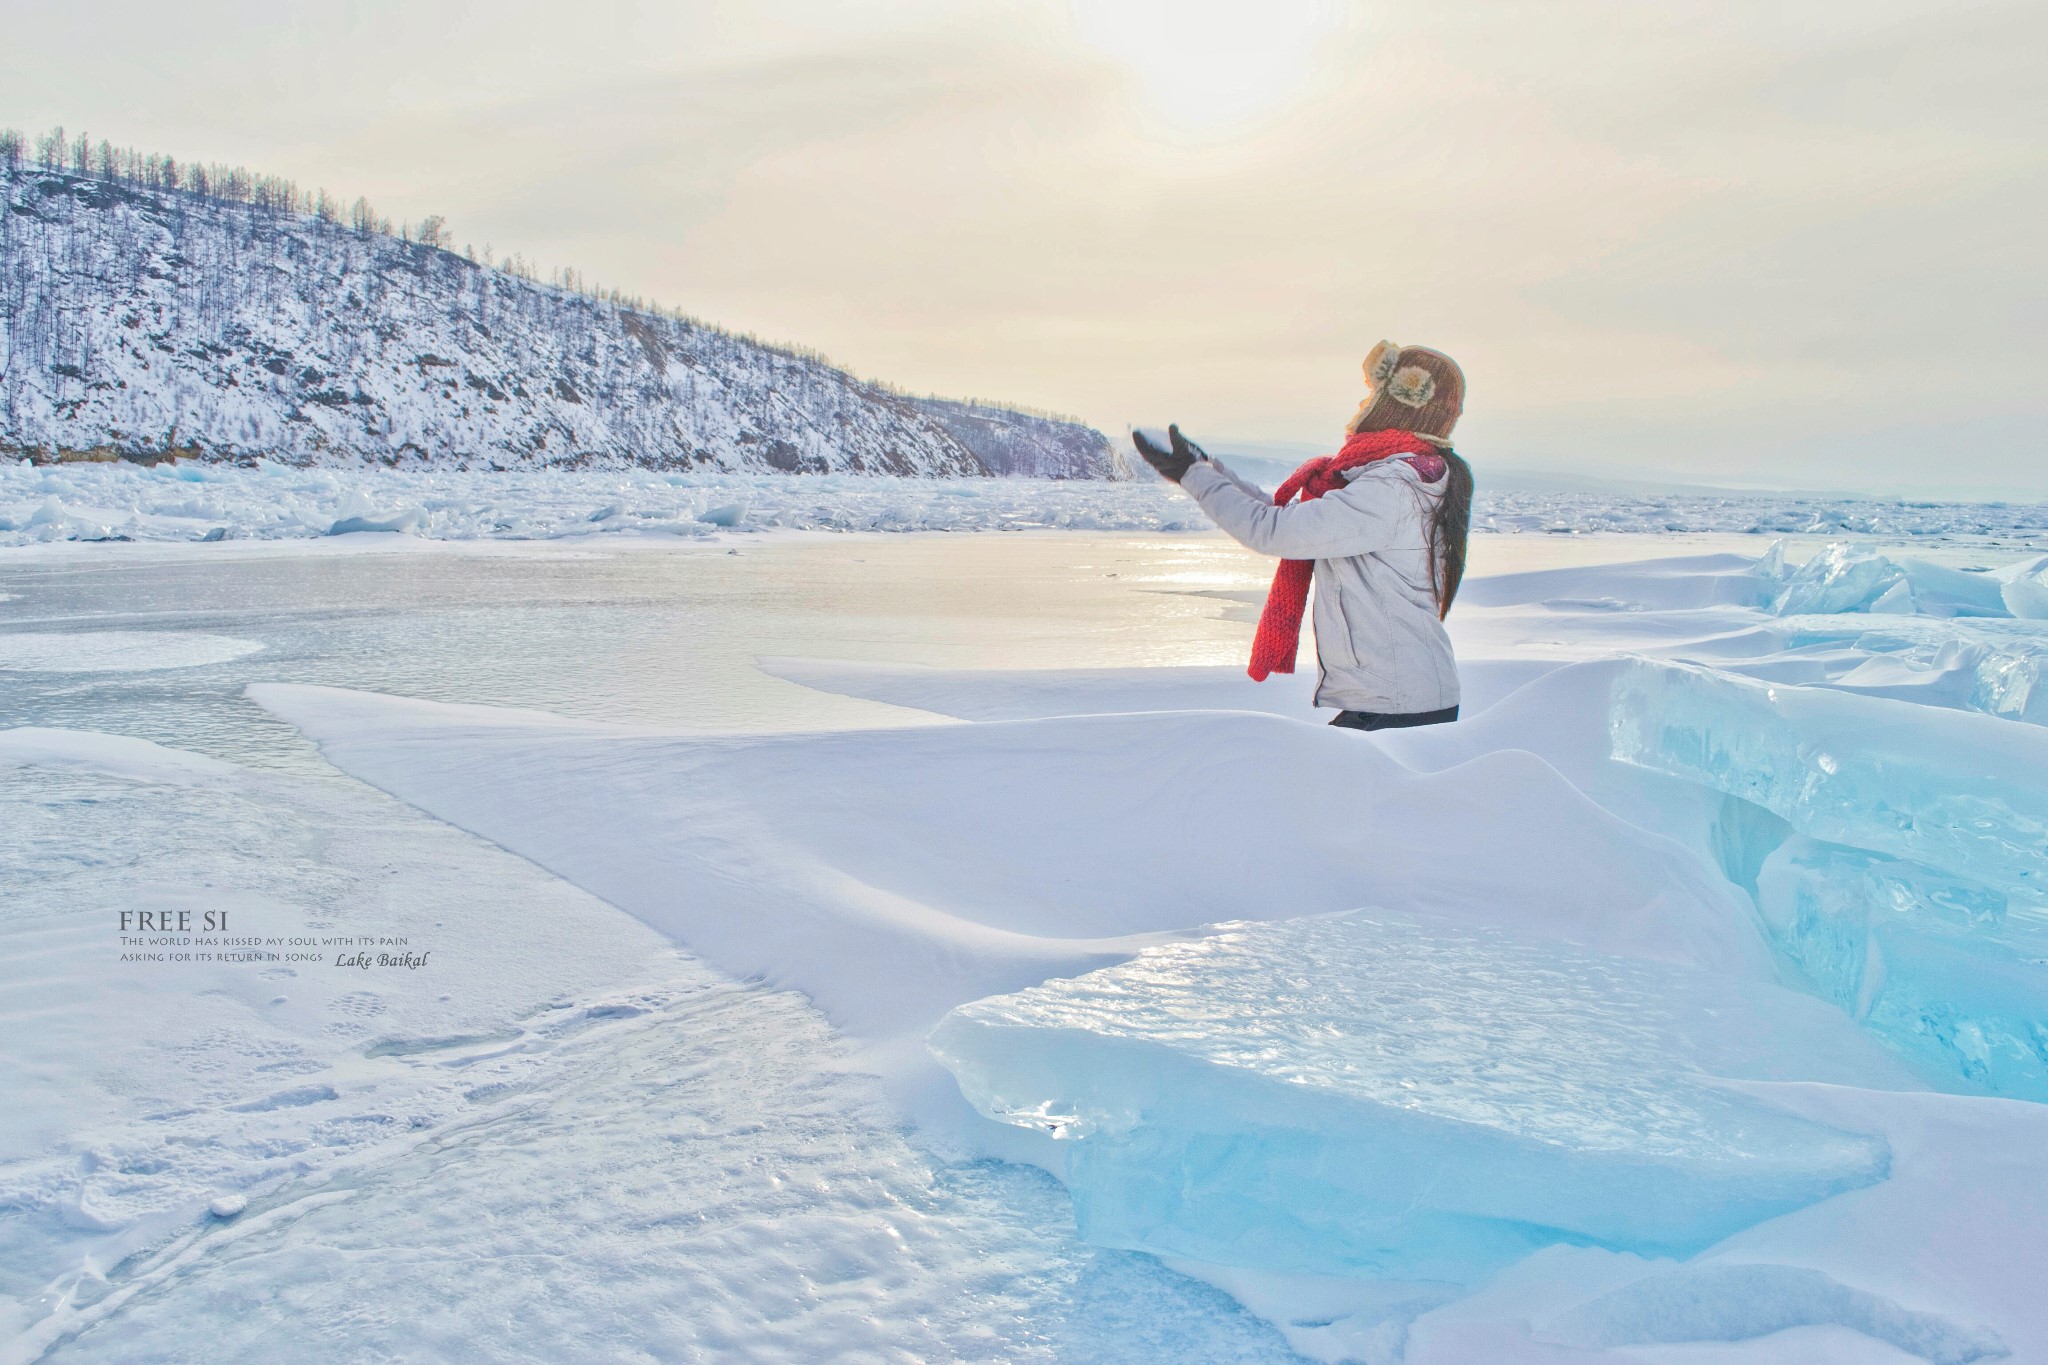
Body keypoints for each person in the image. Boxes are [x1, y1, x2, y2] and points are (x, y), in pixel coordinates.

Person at [1132, 341, 1473, 732]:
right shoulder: (1401, 479)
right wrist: (1205, 466)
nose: (1364, 404)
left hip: (1397, 704)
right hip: (1402, 697)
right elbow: (1288, 518)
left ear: (1400, 403)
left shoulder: (1392, 488)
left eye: (1374, 393)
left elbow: (1273, 531)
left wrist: (1192, 473)